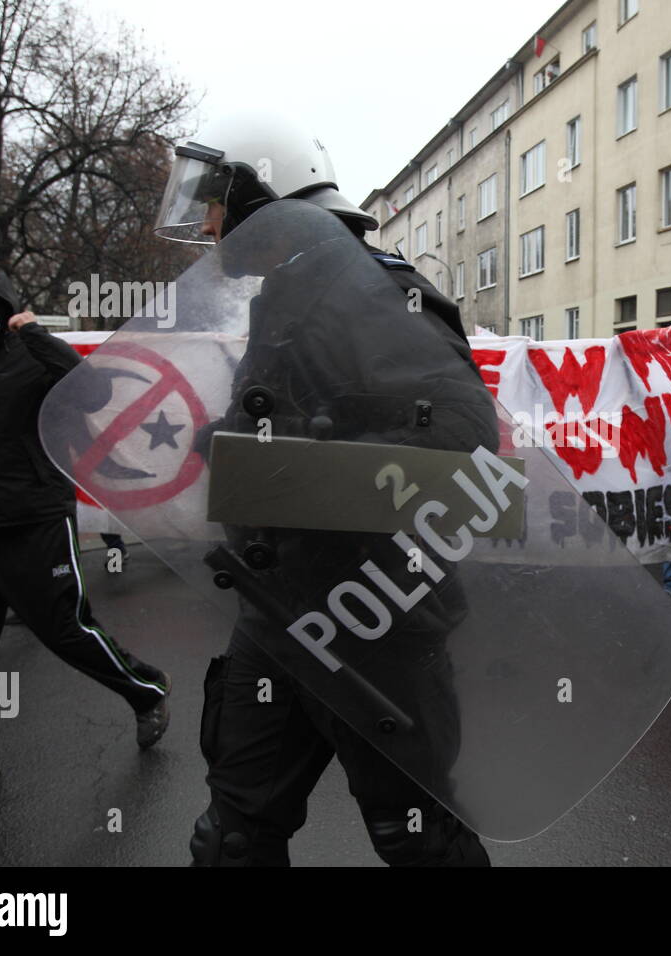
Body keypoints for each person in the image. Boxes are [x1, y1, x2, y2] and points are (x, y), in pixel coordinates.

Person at [155, 115, 493, 866]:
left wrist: (289, 467)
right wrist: (231, 442)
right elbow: (308, 413)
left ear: (260, 192)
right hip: (277, 614)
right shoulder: (288, 297)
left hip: (375, 619)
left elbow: (465, 440)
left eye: (216, 202)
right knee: (234, 833)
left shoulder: (374, 291)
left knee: (416, 836)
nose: (209, 226)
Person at [0, 266, 170, 801]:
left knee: (64, 629)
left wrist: (33, 333)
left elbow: (95, 391)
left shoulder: (32, 352)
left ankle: (145, 691)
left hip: (33, 520)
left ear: (2, 303)